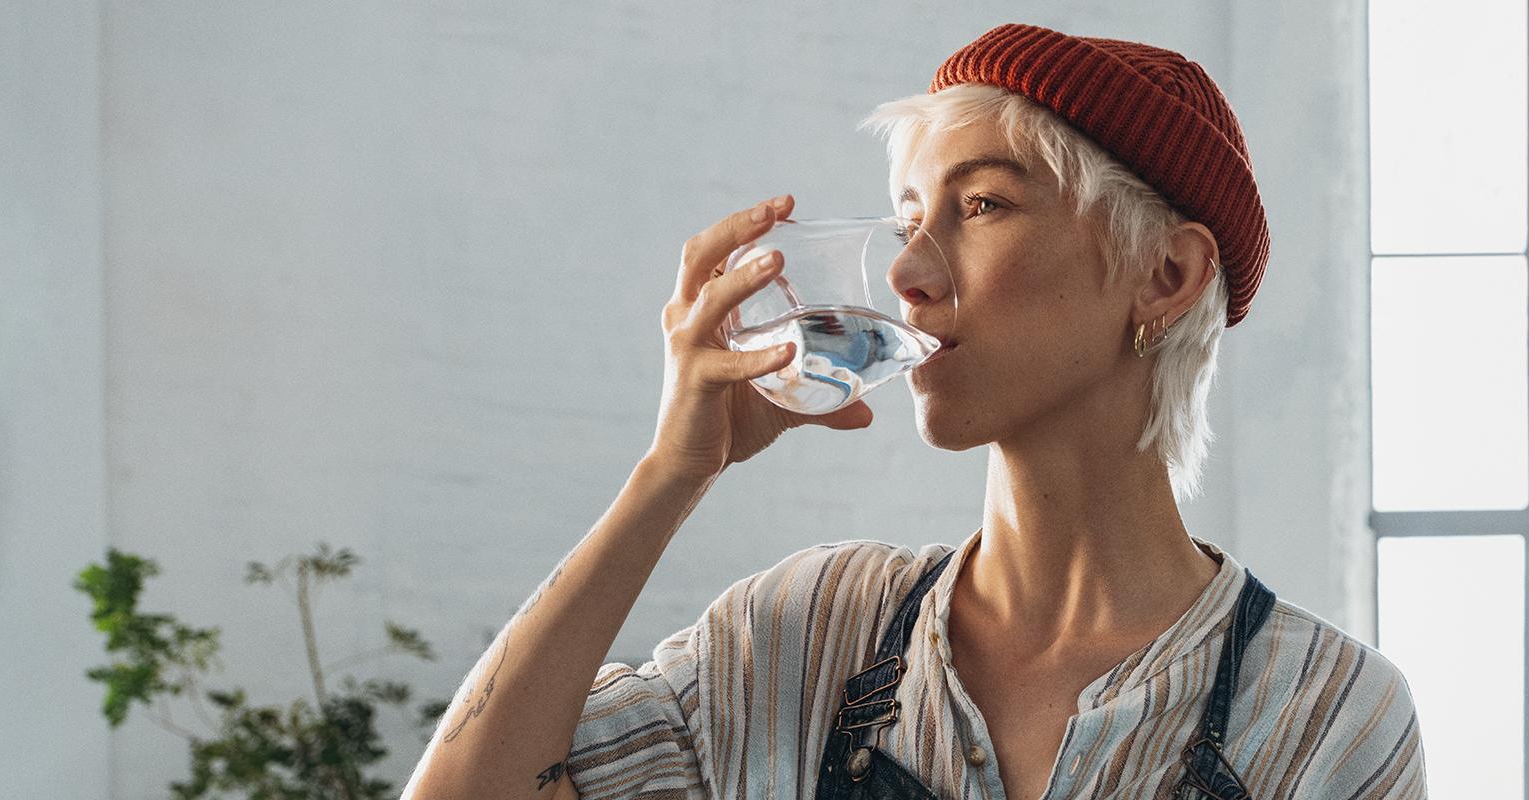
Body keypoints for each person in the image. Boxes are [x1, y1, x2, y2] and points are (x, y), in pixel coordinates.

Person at [403, 22, 1427, 800]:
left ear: (1164, 273)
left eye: (982, 205)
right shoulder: (809, 631)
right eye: (905, 220)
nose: (904, 272)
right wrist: (671, 474)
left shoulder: (1323, 709)